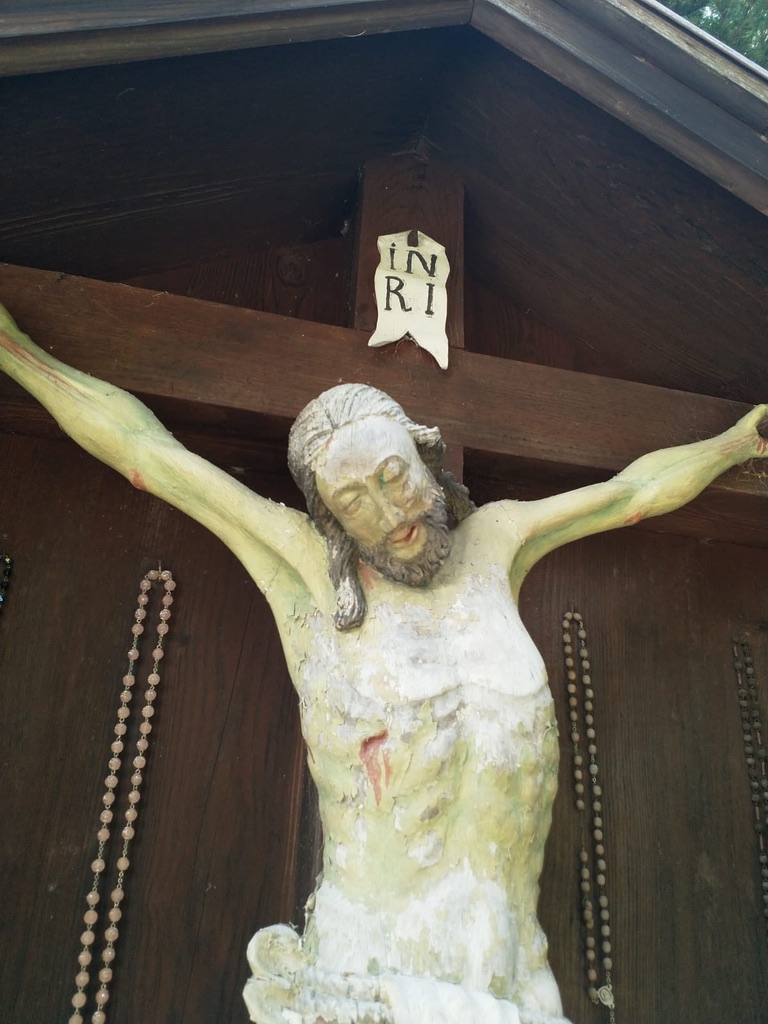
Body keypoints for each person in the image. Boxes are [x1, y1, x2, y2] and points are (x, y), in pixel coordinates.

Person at [0, 301, 766, 1024]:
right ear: (330, 519)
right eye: (354, 501)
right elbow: (147, 453)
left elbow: (632, 494)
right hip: (361, 983)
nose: (391, 513)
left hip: (517, 986)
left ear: (427, 455)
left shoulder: (498, 542)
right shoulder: (306, 571)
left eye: (395, 478)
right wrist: (15, 351)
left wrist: (740, 443)